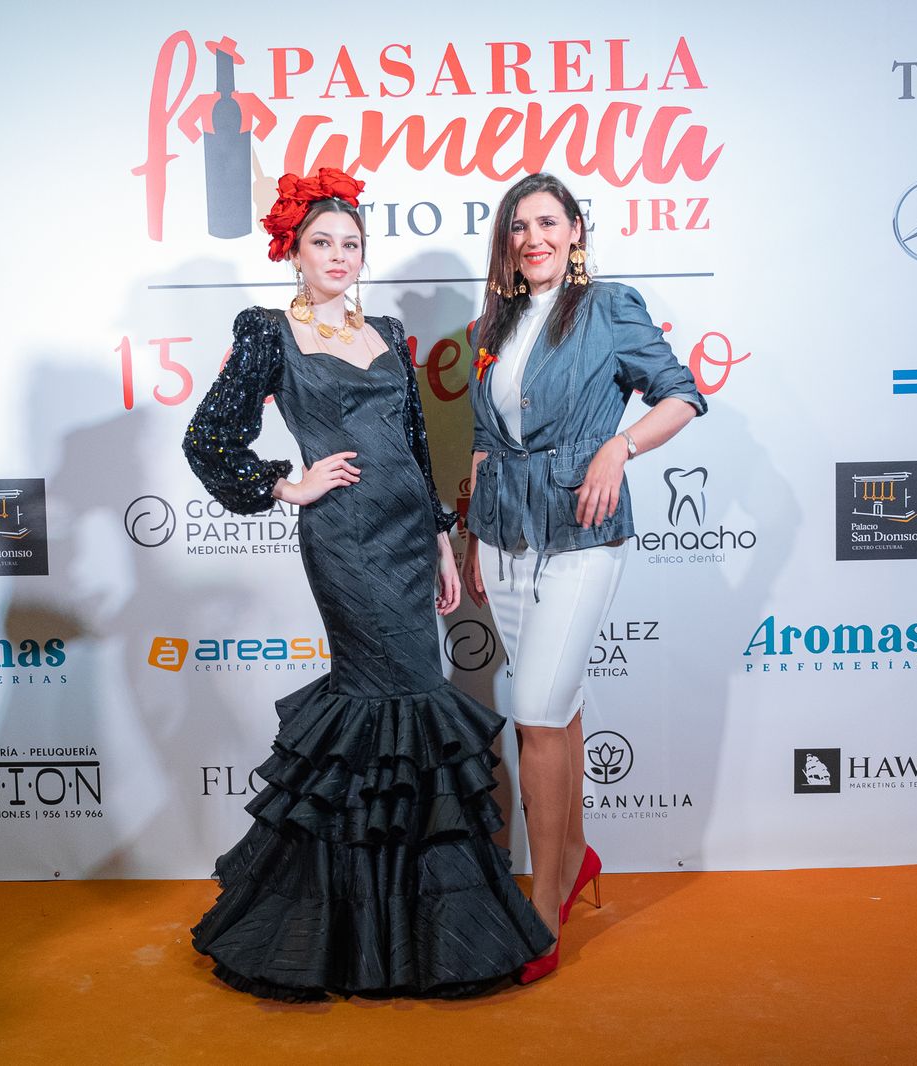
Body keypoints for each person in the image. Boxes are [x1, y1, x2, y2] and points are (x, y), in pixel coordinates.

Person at [182, 168, 553, 1001]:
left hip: (404, 536)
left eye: (351, 244)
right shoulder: (269, 331)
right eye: (323, 243)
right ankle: (358, 933)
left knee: (409, 704)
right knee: (392, 700)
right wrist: (287, 482)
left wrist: (436, 540)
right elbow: (208, 438)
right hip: (344, 540)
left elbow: (417, 447)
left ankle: (409, 932)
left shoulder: (385, 329)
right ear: (294, 252)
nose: (339, 256)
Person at [461, 172, 706, 983]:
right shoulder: (496, 319)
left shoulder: (609, 306)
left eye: (546, 223)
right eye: (517, 227)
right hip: (502, 533)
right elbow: (485, 436)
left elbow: (681, 395)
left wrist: (619, 445)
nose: (531, 238)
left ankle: (542, 902)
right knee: (554, 705)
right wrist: (472, 530)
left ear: (573, 231)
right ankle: (575, 859)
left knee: (530, 707)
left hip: (580, 528)